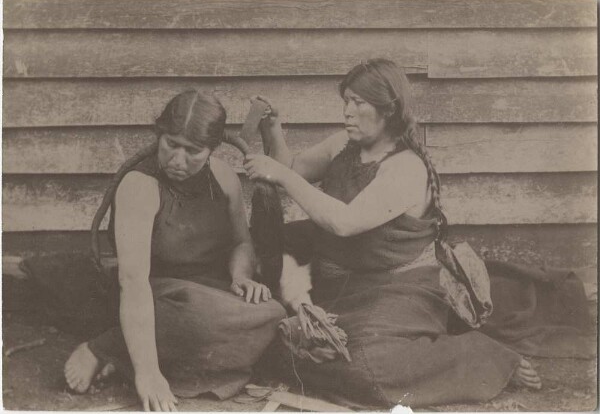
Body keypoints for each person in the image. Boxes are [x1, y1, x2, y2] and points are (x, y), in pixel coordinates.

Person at [243, 59, 546, 408]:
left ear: (388, 110)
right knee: (292, 347)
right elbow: (293, 168)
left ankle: (482, 355)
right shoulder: (343, 143)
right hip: (339, 285)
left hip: (398, 289)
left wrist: (280, 176)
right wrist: (273, 129)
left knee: (369, 370)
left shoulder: (406, 168)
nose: (348, 112)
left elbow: (345, 222)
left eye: (359, 103)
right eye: (346, 101)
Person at [64, 90, 286, 411]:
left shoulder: (223, 177)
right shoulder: (140, 186)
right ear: (160, 134)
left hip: (212, 291)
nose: (178, 161)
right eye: (171, 144)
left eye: (193, 151)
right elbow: (133, 281)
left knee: (274, 314)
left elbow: (241, 242)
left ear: (211, 149)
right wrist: (148, 374)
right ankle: (102, 348)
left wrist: (241, 276)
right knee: (197, 320)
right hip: (157, 297)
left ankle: (130, 354)